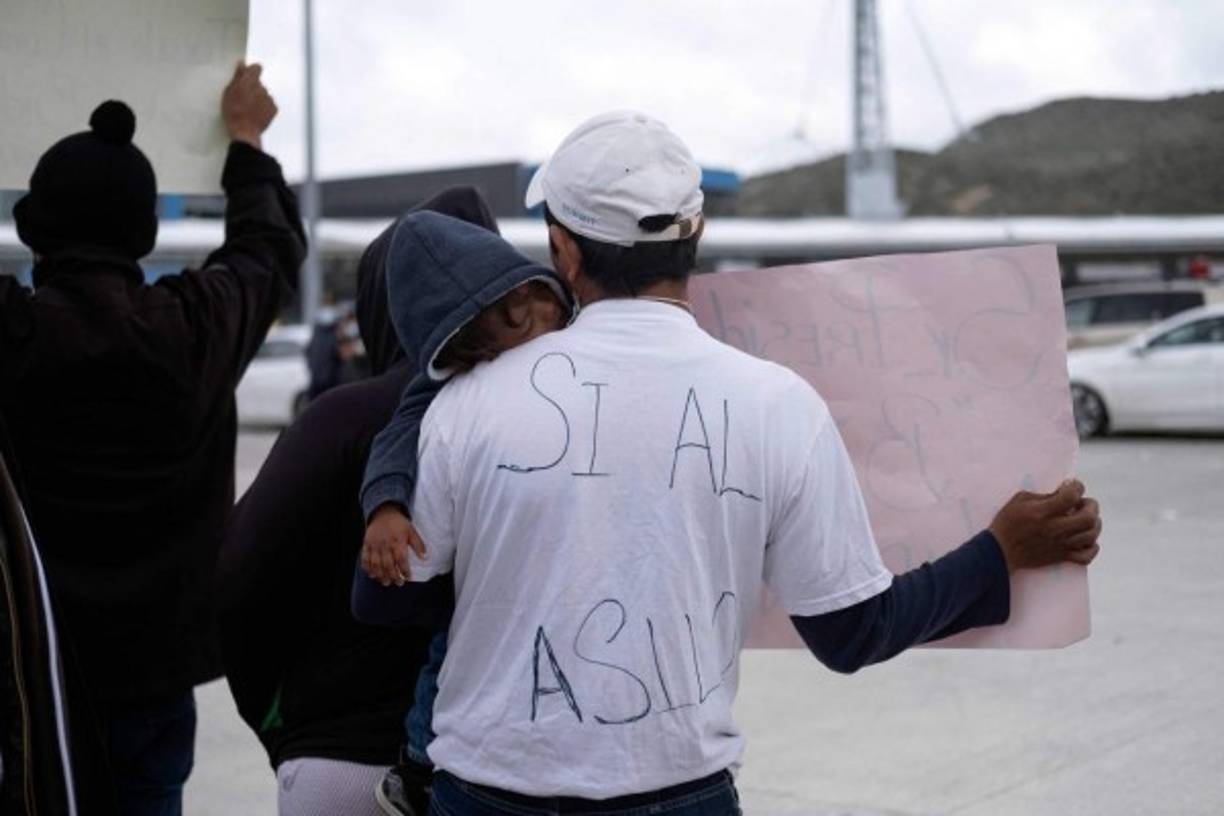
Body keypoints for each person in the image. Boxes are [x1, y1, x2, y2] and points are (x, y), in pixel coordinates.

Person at [354, 111, 1102, 815]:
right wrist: (1000, 551)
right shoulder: (781, 404)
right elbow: (854, 633)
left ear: (564, 251)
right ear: (697, 233)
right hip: (680, 792)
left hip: (483, 792)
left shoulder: (464, 402)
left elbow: (386, 601)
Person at [0, 63, 305, 814]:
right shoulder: (193, 329)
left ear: (33, 231)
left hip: (25, 669)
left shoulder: (14, 335)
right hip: (154, 681)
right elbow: (268, 248)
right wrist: (246, 140)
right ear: (144, 233)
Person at [216, 188, 565, 816]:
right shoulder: (553, 413)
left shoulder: (342, 419)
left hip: (346, 756)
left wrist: (283, 721)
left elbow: (241, 580)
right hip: (514, 760)